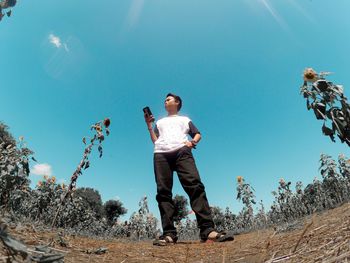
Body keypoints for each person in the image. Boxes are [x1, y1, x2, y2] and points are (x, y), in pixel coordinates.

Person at [144, 93, 234, 245]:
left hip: (182, 151)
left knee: (195, 186)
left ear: (177, 102)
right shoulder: (159, 122)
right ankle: (169, 234)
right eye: (165, 100)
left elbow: (197, 134)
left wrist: (192, 143)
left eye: (168, 99)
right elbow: (155, 140)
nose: (165, 101)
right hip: (161, 154)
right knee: (163, 192)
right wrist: (149, 125)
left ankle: (208, 231)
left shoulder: (185, 120)